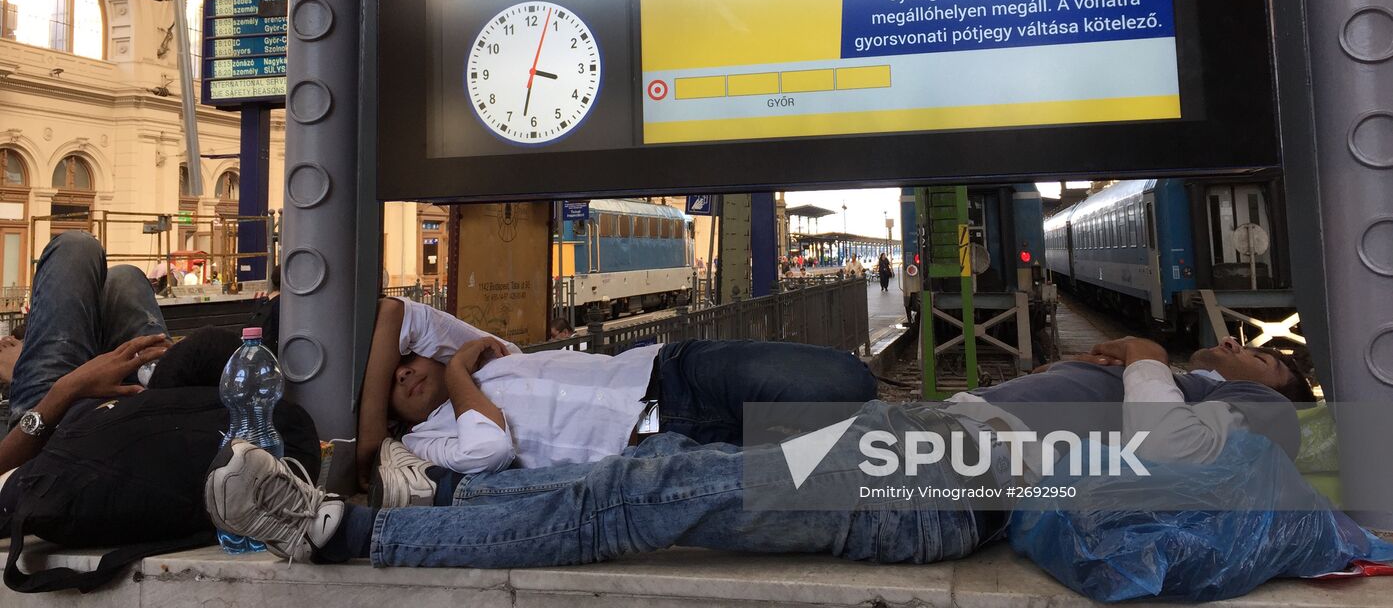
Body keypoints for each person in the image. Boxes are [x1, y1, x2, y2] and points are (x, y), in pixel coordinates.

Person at [207, 331, 1312, 567]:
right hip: (917, 452)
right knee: (630, 482)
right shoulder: (1200, 382)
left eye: (1264, 355)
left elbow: (1174, 446)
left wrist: (1153, 360)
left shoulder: (1245, 413)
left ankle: (349, 534)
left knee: (636, 499)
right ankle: (431, 503)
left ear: (1285, 394)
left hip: (935, 484)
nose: (1240, 346)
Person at [355, 297, 877, 492]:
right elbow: (490, 450)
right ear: (391, 416)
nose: (402, 374)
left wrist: (457, 370)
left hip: (672, 372)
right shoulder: (425, 442)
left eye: (406, 361)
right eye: (391, 381)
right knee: (826, 468)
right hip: (656, 447)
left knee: (845, 384)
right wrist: (455, 380)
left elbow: (391, 313)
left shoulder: (480, 354)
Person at [0, 231, 171, 477]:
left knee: (86, 253)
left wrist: (64, 389)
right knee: (121, 276)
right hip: (138, 421)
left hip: (57, 432)